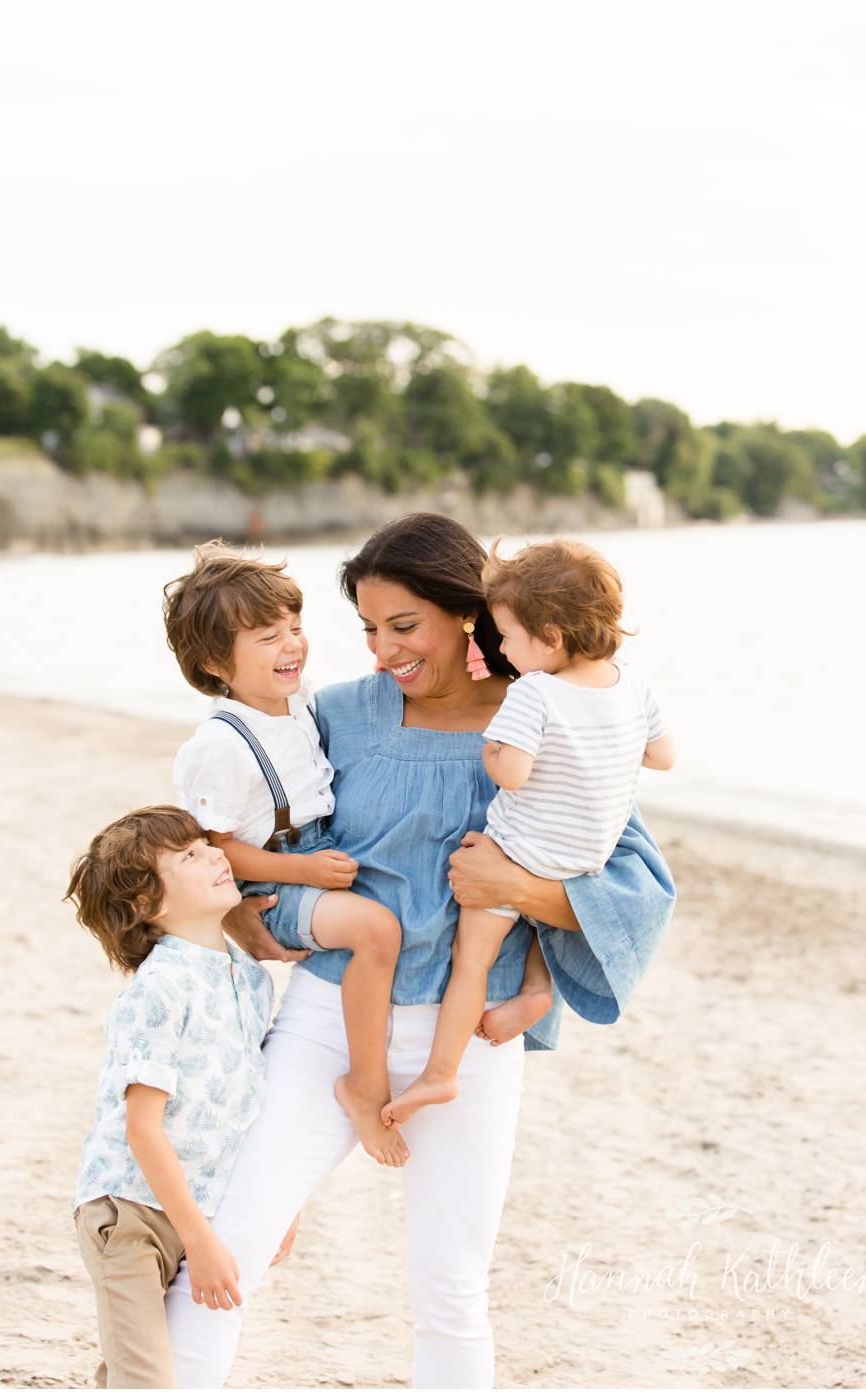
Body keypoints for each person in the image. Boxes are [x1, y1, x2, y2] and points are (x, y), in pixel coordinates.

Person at [162, 513, 675, 1389]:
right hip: (326, 1021)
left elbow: (630, 881)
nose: (381, 651)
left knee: (451, 1287)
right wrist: (285, 923)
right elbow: (250, 859)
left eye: (403, 627)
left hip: (468, 1042)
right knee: (230, 1246)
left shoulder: (549, 712)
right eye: (366, 628)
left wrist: (521, 911)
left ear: (469, 613)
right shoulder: (333, 716)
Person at [384, 538, 675, 1126]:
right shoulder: (633, 684)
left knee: (473, 958)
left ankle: (439, 1075)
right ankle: (538, 991)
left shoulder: (534, 691)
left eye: (509, 636)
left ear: (552, 637)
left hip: (518, 852)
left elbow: (511, 775)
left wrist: (492, 752)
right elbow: (662, 757)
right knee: (540, 916)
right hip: (586, 860)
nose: (504, 649)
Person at [165, 543, 406, 1166]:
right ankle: (365, 1082)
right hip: (270, 885)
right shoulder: (221, 743)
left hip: (313, 859)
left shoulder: (296, 703)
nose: (292, 646)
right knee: (377, 930)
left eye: (295, 628)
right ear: (217, 663)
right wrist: (298, 870)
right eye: (269, 638)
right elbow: (216, 850)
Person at [65, 807, 273, 1388]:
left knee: (144, 1365)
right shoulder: (161, 987)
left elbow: (249, 1100)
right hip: (129, 1213)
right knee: (149, 1378)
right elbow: (143, 1128)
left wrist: (283, 1204)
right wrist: (202, 1243)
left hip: (197, 1207)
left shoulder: (251, 977)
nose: (215, 855)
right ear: (146, 905)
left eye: (208, 844)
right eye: (189, 856)